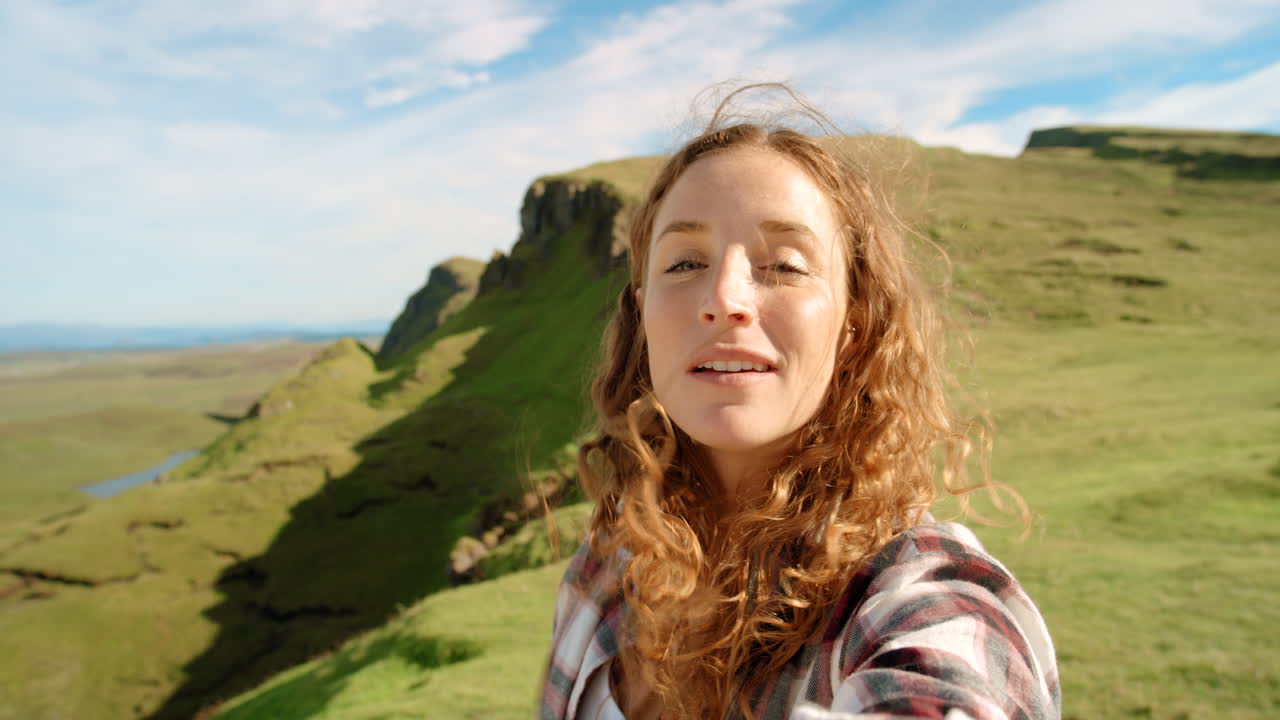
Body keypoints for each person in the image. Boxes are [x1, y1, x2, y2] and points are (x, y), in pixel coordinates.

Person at [539, 86, 1060, 720]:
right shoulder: (604, 575)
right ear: (642, 309)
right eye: (684, 263)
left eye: (785, 265)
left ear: (854, 321)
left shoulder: (917, 601)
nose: (725, 296)